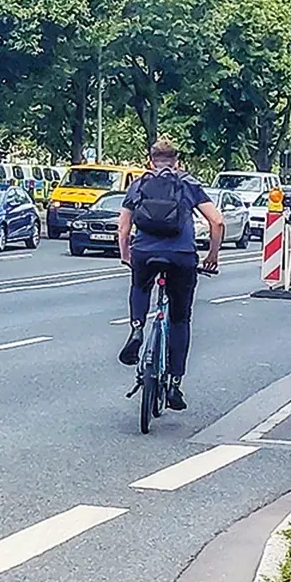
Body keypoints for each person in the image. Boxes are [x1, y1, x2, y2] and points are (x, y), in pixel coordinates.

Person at [116, 138, 224, 410]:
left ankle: (137, 329)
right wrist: (212, 255)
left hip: (144, 253)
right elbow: (217, 221)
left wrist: (126, 255)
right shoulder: (188, 183)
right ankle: (175, 382)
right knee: (179, 319)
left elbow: (123, 227)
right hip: (181, 256)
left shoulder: (139, 184)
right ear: (177, 161)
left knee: (140, 287)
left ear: (150, 160)